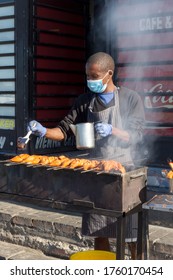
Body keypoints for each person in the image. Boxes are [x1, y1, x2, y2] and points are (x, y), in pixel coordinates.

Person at [28, 52, 145, 259]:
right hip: (96, 172)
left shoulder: (129, 98)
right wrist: (44, 131)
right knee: (99, 229)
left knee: (130, 233)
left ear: (109, 74)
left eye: (94, 76)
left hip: (125, 171)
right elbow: (63, 131)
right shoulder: (84, 101)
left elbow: (137, 135)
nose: (90, 81)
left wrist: (113, 130)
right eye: (88, 76)